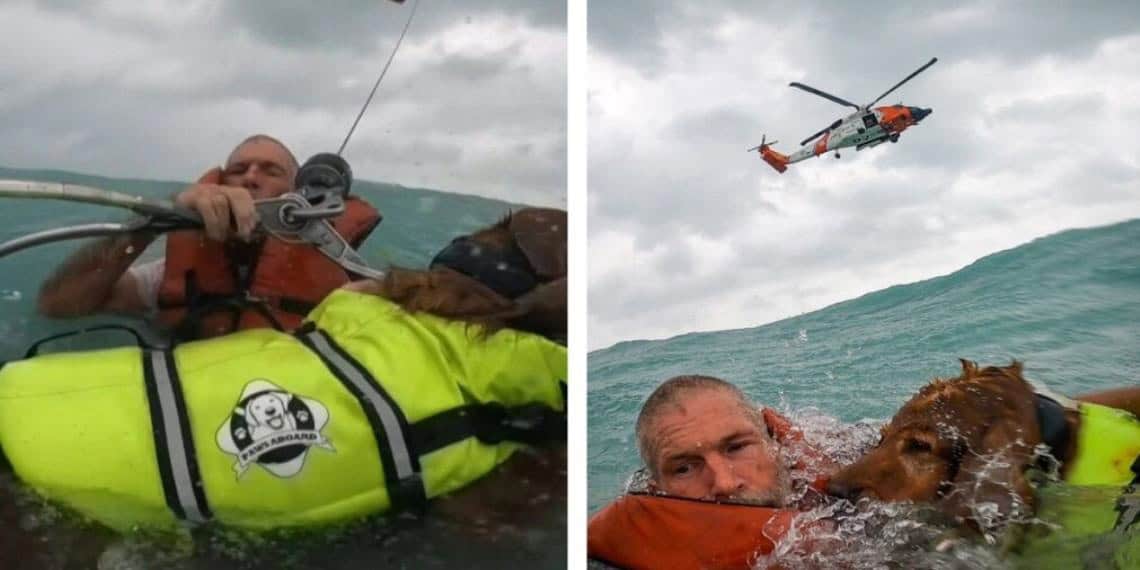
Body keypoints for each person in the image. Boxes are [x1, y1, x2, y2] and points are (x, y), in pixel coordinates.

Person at [36, 134, 381, 339]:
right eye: (238, 170)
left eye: (270, 170)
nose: (250, 178)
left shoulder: (341, 277)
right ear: (218, 185)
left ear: (298, 193)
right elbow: (58, 305)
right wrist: (155, 220)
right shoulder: (167, 274)